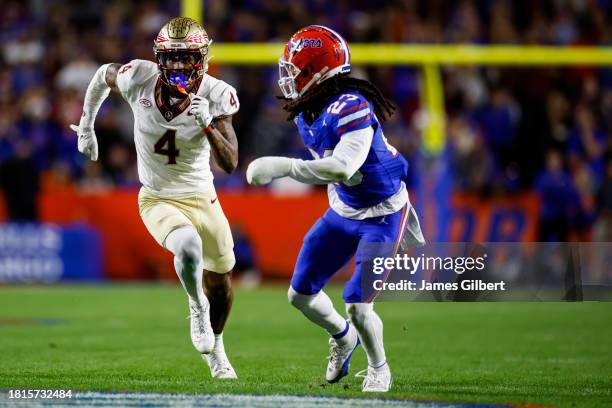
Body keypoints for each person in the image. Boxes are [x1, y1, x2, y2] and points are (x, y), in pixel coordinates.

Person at [246, 25, 425, 392]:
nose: (287, 78)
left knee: (359, 306)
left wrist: (284, 167)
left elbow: (344, 166)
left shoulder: (353, 105)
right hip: (344, 209)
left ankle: (379, 368)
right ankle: (343, 338)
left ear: (318, 72)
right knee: (300, 294)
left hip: (383, 213)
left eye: (295, 70)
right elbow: (333, 173)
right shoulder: (305, 112)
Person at [70, 17, 240, 379]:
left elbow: (230, 163)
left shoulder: (216, 93)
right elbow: (103, 74)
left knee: (222, 281)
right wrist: (86, 125)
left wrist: (208, 124)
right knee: (189, 248)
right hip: (157, 197)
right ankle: (196, 308)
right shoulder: (139, 78)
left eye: (186, 57)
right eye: (171, 57)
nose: (177, 66)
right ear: (159, 57)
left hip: (202, 196)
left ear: (202, 58)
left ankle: (218, 348)